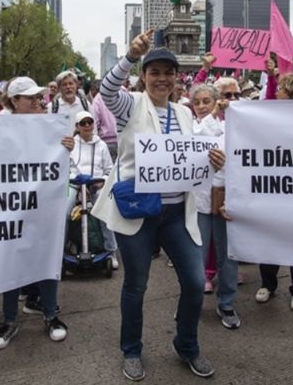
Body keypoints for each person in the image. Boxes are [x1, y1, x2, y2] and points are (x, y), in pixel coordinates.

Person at [93, 30, 226, 381]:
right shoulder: (130, 106)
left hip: (174, 214)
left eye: (169, 73)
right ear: (144, 77)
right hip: (138, 211)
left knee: (196, 283)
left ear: (176, 79)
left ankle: (186, 345)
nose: (162, 79)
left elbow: (190, 161)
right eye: (155, 72)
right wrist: (130, 56)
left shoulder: (184, 114)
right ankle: (132, 350)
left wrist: (212, 160)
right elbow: (106, 92)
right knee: (136, 285)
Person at [0, 76, 70, 350]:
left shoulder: (50, 125)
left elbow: (60, 162)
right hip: (10, 208)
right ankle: (10, 320)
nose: (37, 101)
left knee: (46, 257)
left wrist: (67, 147)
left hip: (44, 206)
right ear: (14, 101)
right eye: (30, 98)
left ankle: (51, 315)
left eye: (39, 97)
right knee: (12, 262)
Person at [255, 73, 293, 311]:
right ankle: (268, 284)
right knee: (269, 239)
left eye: (280, 89)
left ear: (290, 93)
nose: (276, 92)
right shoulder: (270, 118)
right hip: (272, 189)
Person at [188, 83, 240, 329]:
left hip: (225, 200)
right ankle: (191, 303)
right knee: (194, 257)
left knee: (228, 257)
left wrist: (225, 165)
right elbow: (197, 143)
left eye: (206, 101)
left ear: (216, 102)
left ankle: (227, 303)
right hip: (198, 201)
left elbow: (242, 163)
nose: (201, 107)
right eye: (197, 102)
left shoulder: (232, 128)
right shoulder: (190, 127)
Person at [67, 110, 117, 268]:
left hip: (96, 183)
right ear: (77, 126)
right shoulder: (71, 144)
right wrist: (78, 181)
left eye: (90, 122)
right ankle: (60, 250)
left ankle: (111, 250)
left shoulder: (101, 145)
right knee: (65, 212)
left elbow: (109, 169)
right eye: (83, 123)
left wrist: (101, 181)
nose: (87, 125)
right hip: (75, 184)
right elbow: (67, 168)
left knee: (105, 211)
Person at [89, 80, 119, 160]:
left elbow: (95, 121)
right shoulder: (122, 94)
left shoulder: (98, 99)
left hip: (106, 141)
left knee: (108, 170)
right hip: (122, 140)